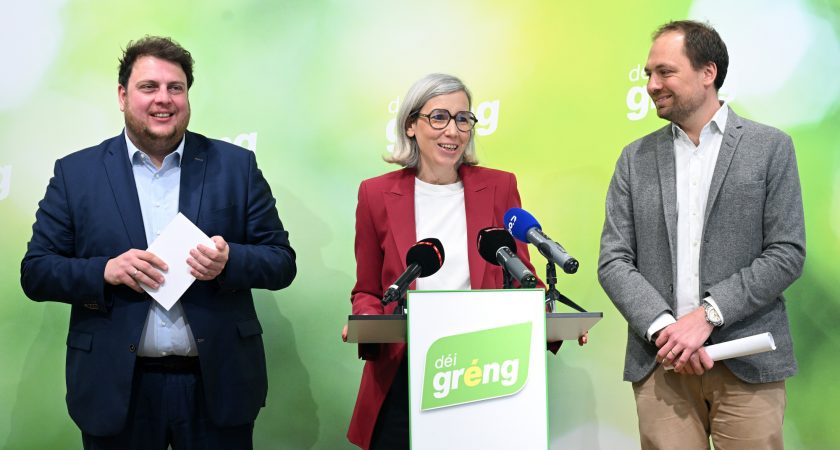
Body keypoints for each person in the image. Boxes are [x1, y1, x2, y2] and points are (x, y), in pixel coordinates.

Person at [20, 36, 296, 450]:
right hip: (115, 388)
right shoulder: (76, 174)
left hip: (217, 385)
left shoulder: (236, 167)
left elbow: (281, 261)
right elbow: (36, 271)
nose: (163, 99)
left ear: (187, 96)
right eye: (149, 87)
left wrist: (230, 261)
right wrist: (104, 270)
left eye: (175, 88)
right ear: (122, 95)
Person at [598, 20, 805, 449]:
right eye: (648, 74)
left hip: (748, 363)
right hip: (662, 366)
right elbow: (614, 260)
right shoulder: (634, 159)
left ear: (708, 72)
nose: (652, 85)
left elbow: (786, 253)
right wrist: (667, 331)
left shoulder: (770, 148)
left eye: (665, 72)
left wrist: (707, 316)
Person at [343, 73, 557, 449]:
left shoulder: (499, 187)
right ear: (411, 125)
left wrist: (551, 320)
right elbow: (368, 289)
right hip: (404, 371)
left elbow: (523, 277)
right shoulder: (376, 194)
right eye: (439, 117)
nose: (453, 131)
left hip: (482, 370)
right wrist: (368, 322)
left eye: (463, 119)